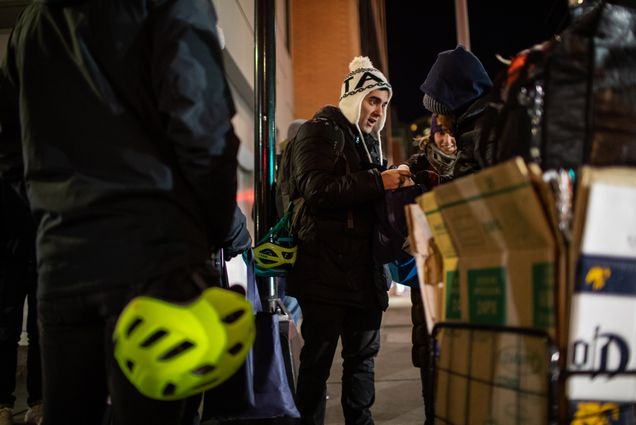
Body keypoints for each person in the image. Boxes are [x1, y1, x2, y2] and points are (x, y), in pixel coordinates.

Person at [0, 1, 240, 424]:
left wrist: (50, 215)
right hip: (153, 259)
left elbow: (11, 150)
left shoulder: (33, 20)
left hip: (63, 261)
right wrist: (212, 228)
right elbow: (204, 129)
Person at [285, 56, 410, 425]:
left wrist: (399, 178)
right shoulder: (319, 131)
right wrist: (379, 181)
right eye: (373, 99)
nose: (378, 110)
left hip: (363, 274)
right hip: (324, 273)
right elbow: (316, 189)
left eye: (384, 104)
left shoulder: (368, 145)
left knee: (362, 363)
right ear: (354, 97)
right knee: (317, 364)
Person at [401, 115, 458, 425]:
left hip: (458, 271)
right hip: (426, 273)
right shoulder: (418, 167)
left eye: (451, 133)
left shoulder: (468, 162)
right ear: (433, 135)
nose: (447, 140)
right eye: (442, 133)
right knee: (428, 348)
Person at [0, 180, 42, 425]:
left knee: (41, 331)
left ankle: (38, 403)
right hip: (8, 256)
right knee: (5, 331)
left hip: (41, 253)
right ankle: (3, 404)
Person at [418, 45, 493, 177]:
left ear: (452, 109)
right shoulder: (483, 125)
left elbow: (470, 188)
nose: (438, 119)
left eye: (439, 113)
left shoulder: (476, 136)